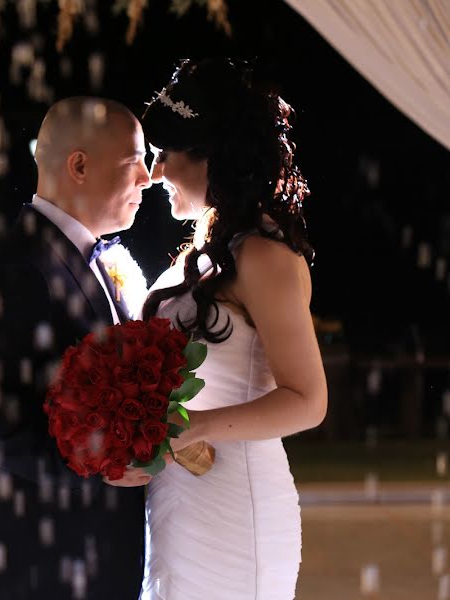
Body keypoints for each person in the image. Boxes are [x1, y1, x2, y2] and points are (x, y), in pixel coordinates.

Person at [0, 96, 152, 599]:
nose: (147, 179)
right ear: (78, 164)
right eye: (134, 163)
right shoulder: (16, 267)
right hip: (44, 571)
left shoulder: (102, 261)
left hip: (100, 568)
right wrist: (98, 468)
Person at [139, 58, 328, 599]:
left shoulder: (263, 254)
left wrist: (188, 428)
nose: (154, 173)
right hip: (179, 505)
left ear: (209, 157)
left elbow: (308, 400)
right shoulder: (209, 249)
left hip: (234, 514)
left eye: (164, 155)